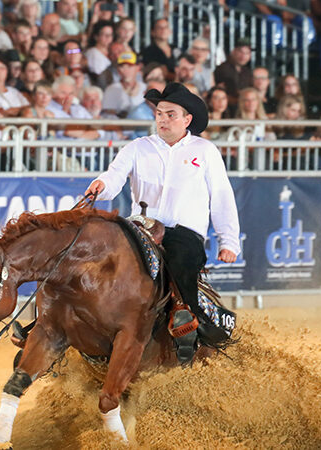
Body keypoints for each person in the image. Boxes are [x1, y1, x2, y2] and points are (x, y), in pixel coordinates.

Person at [84, 82, 240, 362]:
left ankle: (191, 317)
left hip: (185, 232)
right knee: (99, 257)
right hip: (139, 228)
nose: (163, 120)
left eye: (171, 114)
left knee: (181, 260)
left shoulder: (205, 152)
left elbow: (221, 197)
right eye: (159, 114)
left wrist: (228, 240)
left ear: (186, 119)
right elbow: (115, 175)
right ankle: (78, 319)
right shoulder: (138, 148)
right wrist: (101, 185)